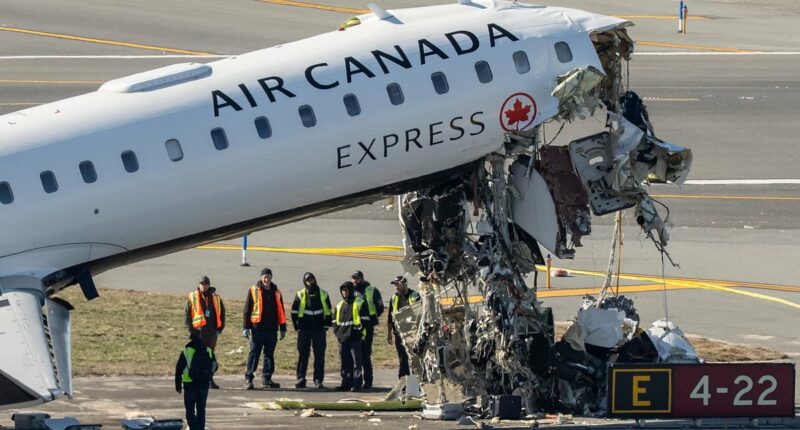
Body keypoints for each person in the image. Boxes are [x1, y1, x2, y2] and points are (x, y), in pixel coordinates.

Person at [243, 268, 287, 389]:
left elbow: (281, 310)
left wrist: (283, 328)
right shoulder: (254, 290)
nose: (266, 279)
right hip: (258, 329)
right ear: (261, 278)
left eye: (268, 277)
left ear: (271, 278)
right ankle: (249, 379)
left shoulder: (276, 291)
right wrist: (246, 327)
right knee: (254, 353)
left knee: (269, 354)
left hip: (272, 329)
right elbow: (247, 310)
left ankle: (267, 379)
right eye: (265, 277)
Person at [290, 272, 333, 389]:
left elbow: (328, 311)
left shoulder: (323, 294)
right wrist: (297, 327)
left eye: (312, 279)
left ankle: (318, 380)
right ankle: (301, 379)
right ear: (305, 282)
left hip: (319, 330)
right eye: (308, 280)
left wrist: (325, 326)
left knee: (319, 356)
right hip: (304, 330)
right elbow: (294, 312)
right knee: (303, 355)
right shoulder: (300, 294)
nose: (310, 282)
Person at [184, 275, 225, 389]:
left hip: (211, 334)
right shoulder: (192, 297)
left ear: (209, 285)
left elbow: (222, 314)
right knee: (195, 358)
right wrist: (191, 331)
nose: (203, 286)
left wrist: (219, 329)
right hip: (198, 334)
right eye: (201, 284)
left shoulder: (216, 298)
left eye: (205, 284)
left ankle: (209, 380)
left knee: (210, 359)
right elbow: (187, 316)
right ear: (199, 285)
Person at [175, 330, 218, 430]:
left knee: (190, 411)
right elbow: (215, 366)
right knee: (201, 410)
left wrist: (178, 385)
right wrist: (208, 375)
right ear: (201, 337)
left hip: (190, 384)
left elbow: (179, 368)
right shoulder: (208, 349)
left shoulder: (187, 350)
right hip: (204, 384)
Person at [333, 281, 369, 392]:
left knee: (357, 363)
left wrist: (357, 331)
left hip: (355, 338)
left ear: (351, 291)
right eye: (343, 291)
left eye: (346, 290)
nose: (344, 293)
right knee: (345, 362)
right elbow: (335, 321)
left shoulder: (359, 303)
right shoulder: (339, 306)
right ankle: (345, 384)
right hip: (342, 339)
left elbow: (366, 320)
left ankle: (357, 384)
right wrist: (338, 333)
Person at [351, 270, 384, 389]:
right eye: (353, 278)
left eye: (357, 278)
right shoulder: (351, 290)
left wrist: (372, 318)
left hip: (367, 325)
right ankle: (355, 381)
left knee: (365, 354)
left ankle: (368, 381)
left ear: (362, 279)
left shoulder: (371, 290)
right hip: (354, 325)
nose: (354, 281)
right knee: (354, 355)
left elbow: (380, 306)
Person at [386, 275, 420, 379]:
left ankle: (416, 382)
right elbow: (390, 317)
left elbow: (420, 313)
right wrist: (389, 333)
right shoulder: (394, 298)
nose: (396, 287)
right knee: (402, 358)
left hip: (412, 333)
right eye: (395, 285)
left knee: (414, 358)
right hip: (399, 333)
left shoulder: (414, 296)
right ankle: (404, 381)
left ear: (405, 284)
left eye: (398, 284)